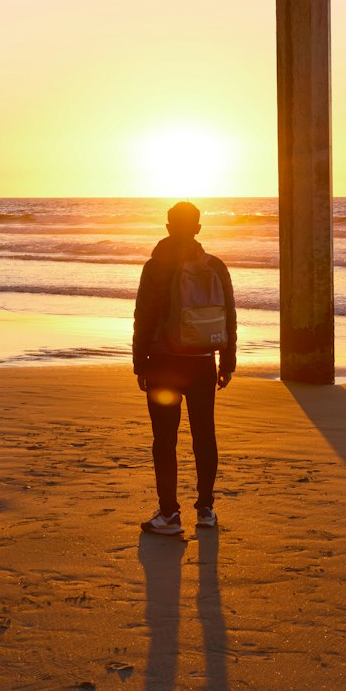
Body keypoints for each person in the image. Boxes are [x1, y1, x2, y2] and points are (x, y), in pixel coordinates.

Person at [133, 201, 237, 535]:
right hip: (201, 364)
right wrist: (227, 361)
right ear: (198, 228)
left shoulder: (155, 266)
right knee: (204, 434)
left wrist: (139, 362)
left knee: (164, 439)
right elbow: (229, 315)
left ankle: (169, 515)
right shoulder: (215, 266)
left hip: (163, 364)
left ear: (167, 228)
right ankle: (206, 510)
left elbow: (144, 317)